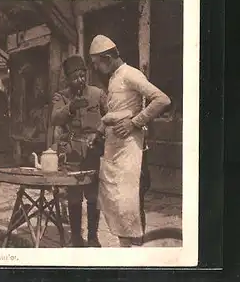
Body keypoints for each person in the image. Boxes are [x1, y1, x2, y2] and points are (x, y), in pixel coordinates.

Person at [88, 35, 171, 247]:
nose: (96, 68)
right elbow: (114, 112)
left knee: (128, 204)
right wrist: (98, 132)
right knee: (116, 205)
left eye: (97, 63)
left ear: (107, 57)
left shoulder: (130, 74)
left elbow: (162, 99)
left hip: (130, 150)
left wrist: (135, 122)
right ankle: (124, 252)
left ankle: (134, 256)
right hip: (114, 150)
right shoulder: (115, 78)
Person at [51, 55, 107, 247]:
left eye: (83, 76)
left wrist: (101, 137)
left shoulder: (98, 94)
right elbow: (55, 119)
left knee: (93, 196)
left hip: (94, 152)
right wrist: (71, 108)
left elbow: (110, 118)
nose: (80, 80)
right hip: (73, 153)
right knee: (74, 196)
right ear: (68, 79)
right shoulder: (61, 96)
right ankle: (76, 236)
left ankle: (93, 237)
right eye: (75, 77)